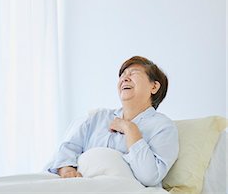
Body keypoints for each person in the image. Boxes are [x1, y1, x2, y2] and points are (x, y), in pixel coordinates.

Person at [48, 56, 179, 187]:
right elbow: (68, 148)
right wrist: (67, 169)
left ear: (154, 87)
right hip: (81, 185)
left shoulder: (163, 127)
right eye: (122, 75)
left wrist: (129, 129)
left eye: (133, 73)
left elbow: (149, 177)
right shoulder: (98, 117)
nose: (124, 78)